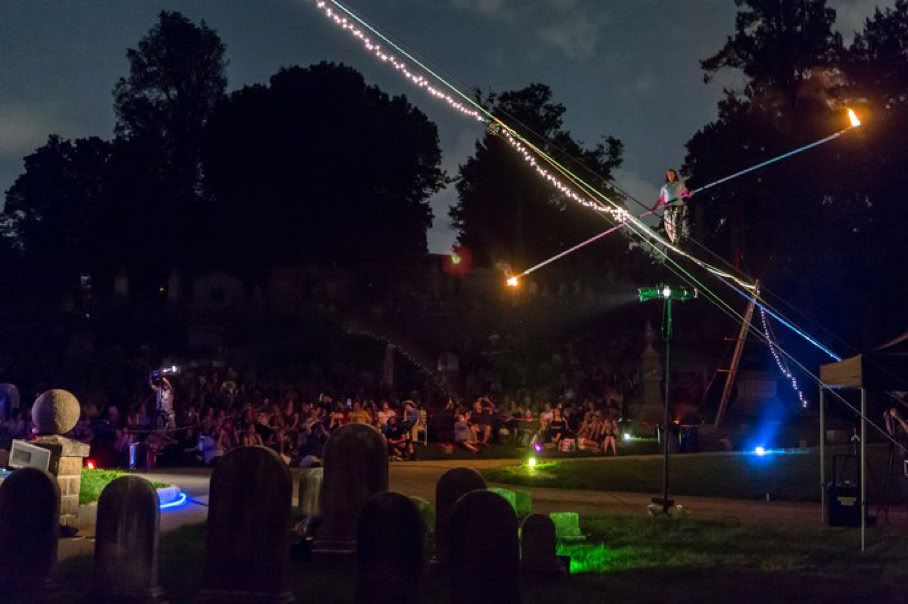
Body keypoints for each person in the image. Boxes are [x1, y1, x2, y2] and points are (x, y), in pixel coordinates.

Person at [652, 169, 692, 244]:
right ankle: (672, 239)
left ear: (675, 175)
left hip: (678, 205)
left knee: (675, 222)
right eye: (669, 174)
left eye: (672, 174)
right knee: (667, 224)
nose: (670, 176)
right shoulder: (664, 187)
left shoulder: (679, 184)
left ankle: (675, 240)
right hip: (668, 206)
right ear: (667, 176)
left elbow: (686, 194)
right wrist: (654, 208)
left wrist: (690, 194)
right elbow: (660, 199)